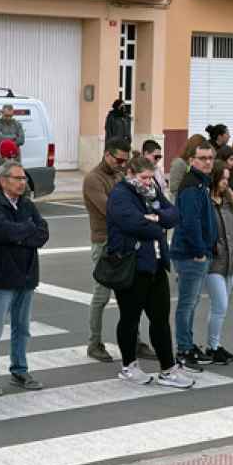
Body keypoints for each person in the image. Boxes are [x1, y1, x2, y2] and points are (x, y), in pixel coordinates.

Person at [106, 154, 188, 386]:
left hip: (156, 265)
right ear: (130, 174)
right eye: (144, 177)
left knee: (160, 320)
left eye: (151, 178)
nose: (148, 182)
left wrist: (156, 217)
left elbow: (174, 214)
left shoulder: (152, 191)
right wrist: (155, 224)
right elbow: (135, 224)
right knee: (130, 319)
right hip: (132, 266)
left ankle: (168, 369)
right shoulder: (120, 195)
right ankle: (129, 365)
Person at [0, 159, 49, 394]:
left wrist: (21, 233)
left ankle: (19, 369)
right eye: (18, 178)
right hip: (1, 276)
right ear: (3, 181)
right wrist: (25, 231)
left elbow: (43, 233)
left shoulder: (27, 205)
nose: (23, 183)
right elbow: (2, 232)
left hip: (27, 275)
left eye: (24, 179)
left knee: (22, 328)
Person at [85, 138, 140, 363]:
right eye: (118, 159)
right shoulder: (93, 179)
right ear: (107, 154)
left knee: (130, 296)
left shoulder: (119, 175)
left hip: (124, 241)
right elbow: (112, 210)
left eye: (125, 161)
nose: (121, 164)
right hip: (104, 242)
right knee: (101, 296)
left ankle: (134, 340)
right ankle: (94, 342)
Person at [169, 140, 217, 370]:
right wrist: (199, 251)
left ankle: (188, 344)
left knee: (192, 301)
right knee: (187, 304)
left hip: (199, 252)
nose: (208, 162)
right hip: (190, 254)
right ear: (192, 161)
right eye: (203, 158)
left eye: (210, 158)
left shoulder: (201, 183)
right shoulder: (191, 186)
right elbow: (190, 222)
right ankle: (183, 350)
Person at [200, 159, 233, 366]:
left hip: (231, 260)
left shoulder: (228, 201)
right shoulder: (206, 200)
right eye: (223, 178)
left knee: (222, 308)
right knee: (220, 305)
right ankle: (212, 347)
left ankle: (215, 344)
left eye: (228, 178)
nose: (226, 182)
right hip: (215, 261)